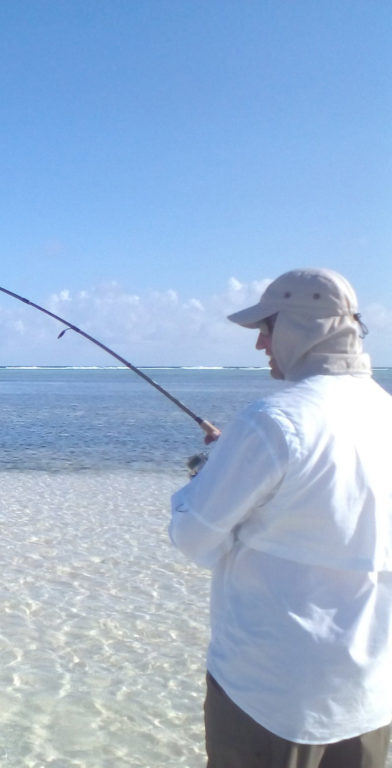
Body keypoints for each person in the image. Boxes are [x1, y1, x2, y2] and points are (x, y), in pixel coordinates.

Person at [169, 268, 392, 767]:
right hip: (371, 696)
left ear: (301, 327)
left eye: (266, 328)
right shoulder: (385, 411)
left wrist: (203, 477)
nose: (260, 345)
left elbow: (193, 539)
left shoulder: (271, 422)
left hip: (270, 696)